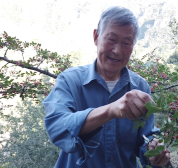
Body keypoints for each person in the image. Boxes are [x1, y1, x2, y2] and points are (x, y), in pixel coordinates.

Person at [43, 6, 170, 168]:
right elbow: (58, 127)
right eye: (111, 39)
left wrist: (154, 150)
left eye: (126, 42)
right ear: (96, 37)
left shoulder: (140, 86)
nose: (117, 50)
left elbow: (145, 137)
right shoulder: (69, 80)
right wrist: (110, 110)